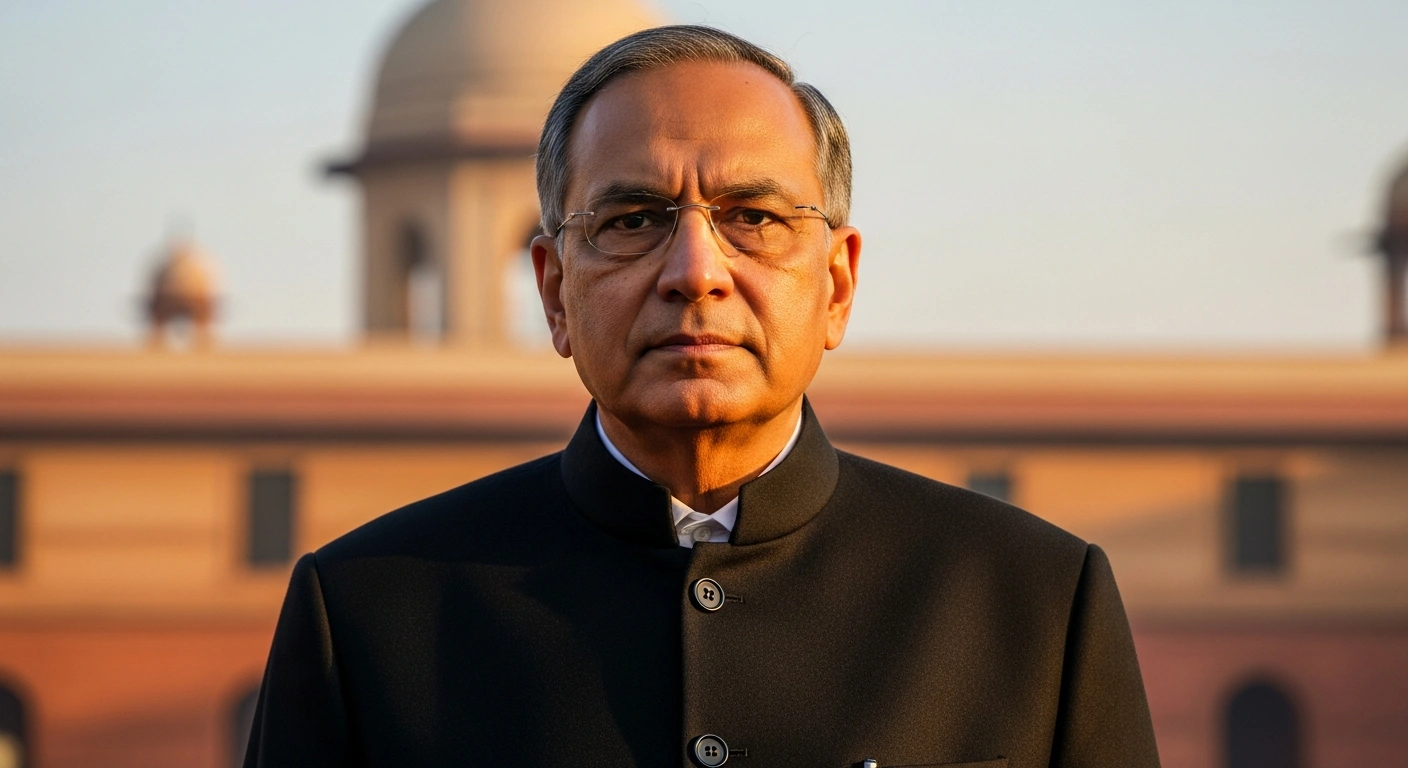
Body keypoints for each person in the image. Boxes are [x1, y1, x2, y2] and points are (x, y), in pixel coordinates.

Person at [244, 25, 1160, 768]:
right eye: (633, 221)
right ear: (554, 289)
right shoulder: (373, 616)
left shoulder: (1027, 604)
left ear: (836, 285)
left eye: (753, 219)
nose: (694, 272)